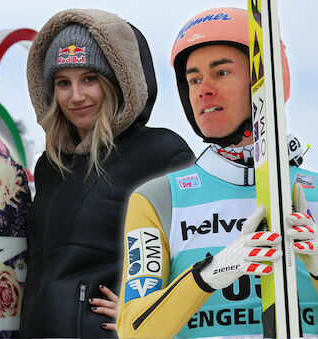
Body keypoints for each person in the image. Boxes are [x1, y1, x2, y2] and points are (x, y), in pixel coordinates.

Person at [116, 7, 318, 338]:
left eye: (221, 73)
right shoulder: (158, 200)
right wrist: (207, 276)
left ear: (265, 81)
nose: (203, 90)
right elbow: (133, 329)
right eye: (193, 79)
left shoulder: (315, 193)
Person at [19, 8, 196, 337]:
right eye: (62, 83)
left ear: (117, 81)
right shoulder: (51, 166)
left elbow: (199, 250)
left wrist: (150, 309)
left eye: (89, 78)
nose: (76, 96)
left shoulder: (159, 152)